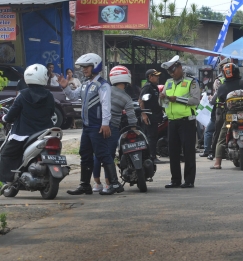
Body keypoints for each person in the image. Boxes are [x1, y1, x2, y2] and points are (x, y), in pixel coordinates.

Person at [58, 53, 124, 195]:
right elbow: (74, 96)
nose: (84, 70)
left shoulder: (103, 85)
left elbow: (106, 105)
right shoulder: (86, 84)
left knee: (103, 154)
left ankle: (115, 183)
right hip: (87, 128)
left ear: (95, 66)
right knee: (85, 155)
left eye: (86, 67)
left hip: (98, 126)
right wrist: (65, 87)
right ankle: (85, 185)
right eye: (82, 67)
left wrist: (105, 123)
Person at [0, 64, 55, 189]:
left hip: (23, 133)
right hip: (45, 132)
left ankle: (7, 180)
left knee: (6, 154)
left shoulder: (23, 94)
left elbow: (12, 114)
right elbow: (51, 112)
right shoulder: (49, 95)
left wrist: (5, 118)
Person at [92, 66, 138, 193]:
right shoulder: (126, 98)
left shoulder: (104, 89)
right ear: (126, 78)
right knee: (109, 155)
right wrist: (134, 129)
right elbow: (131, 118)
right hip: (112, 129)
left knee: (98, 154)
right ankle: (109, 182)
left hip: (98, 125)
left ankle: (97, 183)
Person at [159, 55, 200, 188]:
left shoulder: (191, 82)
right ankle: (175, 179)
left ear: (180, 67)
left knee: (188, 151)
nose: (171, 73)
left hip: (186, 121)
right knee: (173, 151)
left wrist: (176, 99)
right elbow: (163, 102)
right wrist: (162, 98)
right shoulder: (168, 82)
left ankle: (188, 180)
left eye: (173, 70)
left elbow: (195, 100)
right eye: (169, 72)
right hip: (172, 121)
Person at [203, 57, 231, 161]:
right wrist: (212, 101)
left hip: (235, 108)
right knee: (218, 130)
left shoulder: (237, 79)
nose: (229, 69)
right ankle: (212, 152)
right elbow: (217, 94)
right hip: (221, 108)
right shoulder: (219, 80)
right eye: (226, 67)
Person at [139, 68, 165, 164]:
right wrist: (144, 114)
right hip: (149, 116)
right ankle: (151, 157)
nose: (157, 77)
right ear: (150, 77)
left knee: (153, 136)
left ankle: (152, 155)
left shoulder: (154, 87)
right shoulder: (147, 87)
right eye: (155, 76)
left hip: (154, 115)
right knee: (151, 137)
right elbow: (141, 100)